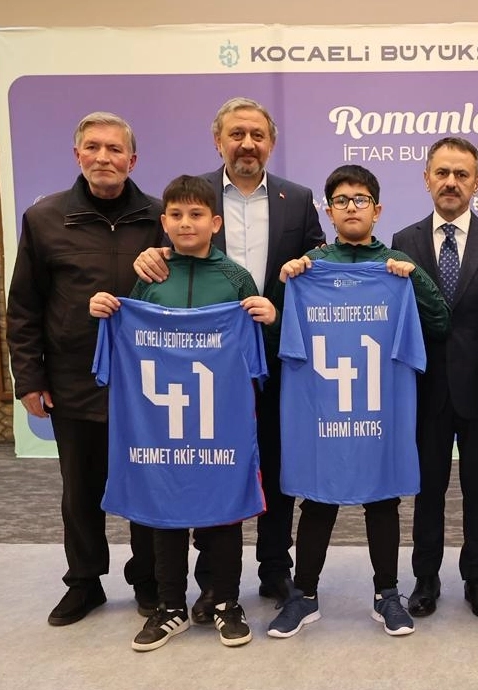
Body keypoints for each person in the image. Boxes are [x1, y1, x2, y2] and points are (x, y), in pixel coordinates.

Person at [133, 97, 325, 619]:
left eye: (257, 135)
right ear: (218, 140)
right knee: (208, 459)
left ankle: (274, 567)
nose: (247, 144)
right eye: (236, 134)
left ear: (272, 143)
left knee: (274, 462)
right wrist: (147, 255)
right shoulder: (191, 194)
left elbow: (314, 262)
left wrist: (302, 277)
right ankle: (211, 581)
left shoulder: (297, 198)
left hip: (275, 353)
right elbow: (165, 255)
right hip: (201, 366)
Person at [90, 175, 276, 651]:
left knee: (224, 512)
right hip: (162, 426)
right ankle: (170, 604)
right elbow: (129, 340)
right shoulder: (151, 278)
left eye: (196, 214)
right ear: (164, 221)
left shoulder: (236, 279)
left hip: (220, 422)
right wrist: (109, 310)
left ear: (215, 223)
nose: (186, 223)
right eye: (176, 214)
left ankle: (225, 600)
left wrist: (264, 316)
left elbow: (258, 358)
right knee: (164, 512)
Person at [266, 164, 449, 638]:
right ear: (328, 211)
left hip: (379, 405)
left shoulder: (395, 263)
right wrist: (287, 282)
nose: (352, 207)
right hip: (321, 406)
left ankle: (387, 594)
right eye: (342, 200)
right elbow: (275, 333)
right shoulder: (308, 266)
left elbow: (439, 322)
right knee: (318, 499)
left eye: (361, 199)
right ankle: (304, 595)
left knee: (382, 499)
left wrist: (415, 277)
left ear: (377, 210)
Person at [6, 112, 162, 626]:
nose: (103, 157)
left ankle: (149, 579)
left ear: (132, 160)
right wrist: (29, 377)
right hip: (73, 378)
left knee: (146, 483)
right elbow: (24, 306)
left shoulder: (161, 217)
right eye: (93, 147)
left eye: (115, 149)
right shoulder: (44, 218)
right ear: (77, 155)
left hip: (147, 383)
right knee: (80, 490)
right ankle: (84, 582)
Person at [391, 137, 478, 620]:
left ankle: (476, 577)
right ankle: (425, 578)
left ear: (477, 183)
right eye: (442, 173)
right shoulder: (403, 241)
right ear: (426, 178)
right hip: (425, 389)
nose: (451, 182)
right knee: (428, 490)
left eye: (461, 174)